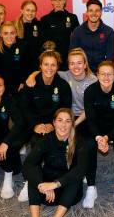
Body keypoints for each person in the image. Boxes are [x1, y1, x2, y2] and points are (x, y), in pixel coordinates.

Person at [25, 48, 98, 196]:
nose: (75, 67)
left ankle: (91, 185)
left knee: (88, 144)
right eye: (72, 63)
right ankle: (33, 181)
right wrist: (32, 75)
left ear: (85, 64)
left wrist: (71, 125)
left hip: (85, 117)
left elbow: (89, 109)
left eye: (79, 63)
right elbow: (46, 70)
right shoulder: (64, 75)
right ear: (67, 65)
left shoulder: (93, 80)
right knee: (42, 140)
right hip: (66, 117)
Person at [22, 108, 89, 217]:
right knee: (34, 172)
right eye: (59, 121)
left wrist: (55, 184)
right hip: (46, 192)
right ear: (53, 123)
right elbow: (28, 164)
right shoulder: (46, 140)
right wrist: (41, 185)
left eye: (67, 121)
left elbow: (81, 169)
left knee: (75, 176)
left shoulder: (80, 141)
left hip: (68, 192)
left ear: (72, 124)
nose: (63, 125)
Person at [17, 51, 73, 202]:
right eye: (46, 64)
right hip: (33, 123)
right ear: (40, 66)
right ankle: (31, 181)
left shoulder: (63, 86)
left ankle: (49, 176)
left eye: (53, 65)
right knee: (36, 143)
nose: (49, 68)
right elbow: (25, 108)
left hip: (55, 124)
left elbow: (66, 109)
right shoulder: (31, 83)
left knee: (50, 143)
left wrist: (52, 125)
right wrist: (35, 125)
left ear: (57, 67)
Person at [83, 61, 114, 209]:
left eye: (109, 73)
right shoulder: (90, 91)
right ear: (97, 75)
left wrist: (107, 138)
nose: (106, 77)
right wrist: (98, 137)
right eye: (102, 73)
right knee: (88, 145)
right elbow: (90, 119)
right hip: (96, 129)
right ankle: (91, 187)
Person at [40, 0, 80, 71]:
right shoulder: (45, 19)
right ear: (51, 1)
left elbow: (78, 39)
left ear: (64, 0)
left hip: (67, 60)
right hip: (51, 62)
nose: (57, 2)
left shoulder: (72, 18)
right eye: (55, 0)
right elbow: (41, 43)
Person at [70, 0, 114, 73]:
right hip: (82, 72)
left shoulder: (109, 32)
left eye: (97, 11)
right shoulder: (77, 32)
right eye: (91, 10)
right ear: (87, 13)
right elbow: (72, 55)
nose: (94, 13)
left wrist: (102, 73)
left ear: (101, 13)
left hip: (101, 72)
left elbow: (110, 59)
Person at [0, 22, 28, 96]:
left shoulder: (23, 45)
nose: (9, 36)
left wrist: (23, 82)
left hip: (18, 85)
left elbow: (27, 66)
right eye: (6, 33)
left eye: (12, 33)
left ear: (16, 33)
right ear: (1, 34)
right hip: (0, 86)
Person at [15, 0, 43, 77]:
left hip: (36, 68)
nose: (30, 13)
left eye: (33, 11)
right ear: (22, 10)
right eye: (27, 10)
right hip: (19, 68)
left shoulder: (40, 26)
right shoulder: (14, 26)